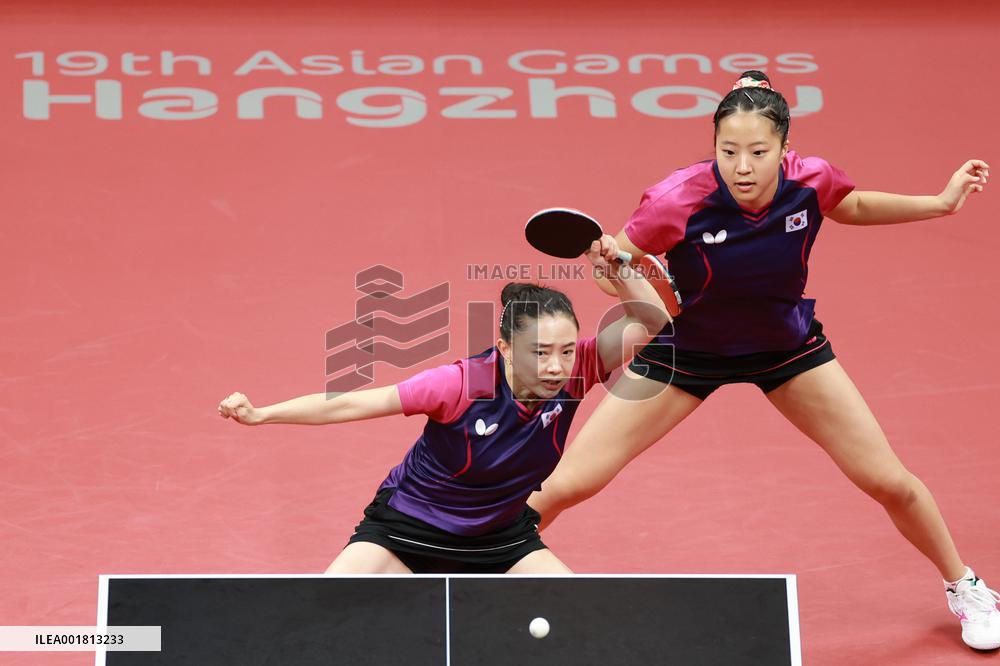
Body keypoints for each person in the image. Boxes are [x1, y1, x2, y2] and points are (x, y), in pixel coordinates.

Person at [528, 70, 999, 650]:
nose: (742, 167)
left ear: (783, 147)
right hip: (687, 352)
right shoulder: (676, 199)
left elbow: (850, 204)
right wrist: (612, 266)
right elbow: (623, 278)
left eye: (758, 152)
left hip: (787, 348)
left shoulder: (810, 181)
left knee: (889, 481)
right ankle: (469, 573)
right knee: (566, 484)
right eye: (728, 151)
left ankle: (967, 585)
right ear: (714, 146)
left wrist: (940, 204)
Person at [217, 237, 669, 574]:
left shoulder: (580, 368)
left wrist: (619, 268)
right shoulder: (458, 384)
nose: (556, 366)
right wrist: (263, 414)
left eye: (566, 350)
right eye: (540, 352)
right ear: (506, 348)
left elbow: (653, 322)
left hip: (501, 537)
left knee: (583, 616)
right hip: (408, 528)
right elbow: (350, 404)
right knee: (328, 611)